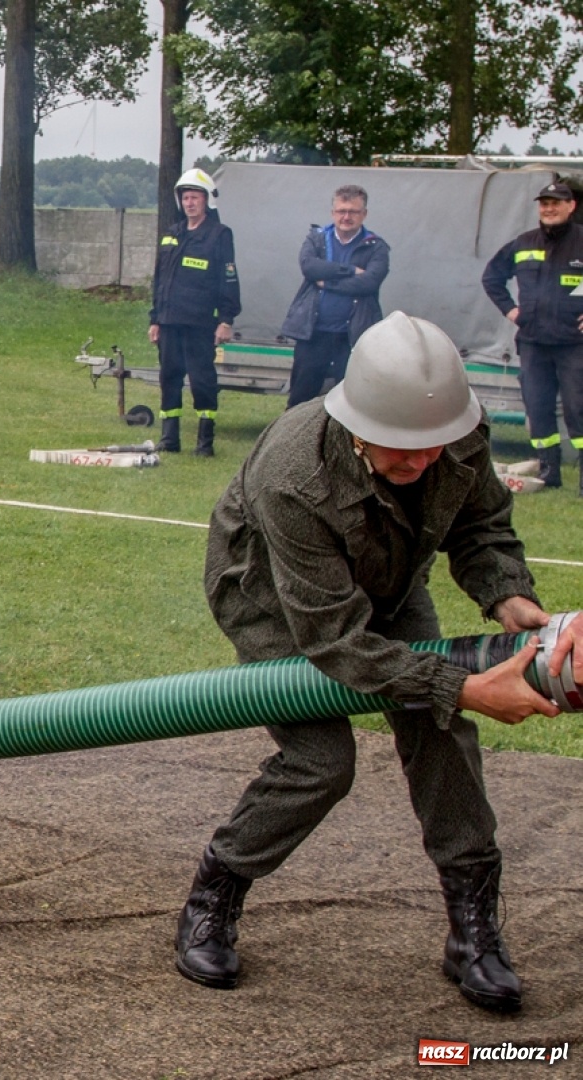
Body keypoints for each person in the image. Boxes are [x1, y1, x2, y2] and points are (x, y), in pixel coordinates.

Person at [174, 312, 583, 1014]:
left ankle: (473, 931)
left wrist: (512, 598)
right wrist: (465, 685)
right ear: (358, 423)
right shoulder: (293, 475)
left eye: (435, 447)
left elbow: (481, 527)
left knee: (441, 729)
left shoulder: (456, 430)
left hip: (388, 579)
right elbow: (335, 640)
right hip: (274, 598)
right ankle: (215, 892)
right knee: (320, 763)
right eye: (401, 449)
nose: (422, 462)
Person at [481, 180, 583, 493]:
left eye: (556, 203)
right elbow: (492, 277)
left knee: (578, 410)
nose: (549, 208)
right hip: (533, 343)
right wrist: (511, 311)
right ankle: (549, 471)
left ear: (571, 206)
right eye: (544, 203)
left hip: (574, 346)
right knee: (537, 409)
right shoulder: (524, 243)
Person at [148, 168, 242, 457]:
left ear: (207, 200)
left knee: (202, 380)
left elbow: (229, 280)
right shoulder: (171, 234)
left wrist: (226, 320)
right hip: (169, 322)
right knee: (169, 377)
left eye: (195, 197)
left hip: (200, 323)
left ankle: (204, 442)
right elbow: (160, 280)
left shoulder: (219, 235)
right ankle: (169, 438)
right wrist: (155, 320)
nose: (190, 203)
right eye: (186, 197)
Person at [280, 184, 390, 407]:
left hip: (351, 338)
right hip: (313, 334)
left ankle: (346, 443)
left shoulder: (376, 247)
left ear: (364, 214)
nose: (346, 217)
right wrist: (350, 271)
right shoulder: (317, 239)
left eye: (353, 212)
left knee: (351, 404)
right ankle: (296, 442)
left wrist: (326, 282)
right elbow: (309, 268)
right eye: (341, 211)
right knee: (300, 402)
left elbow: (369, 283)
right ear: (333, 213)